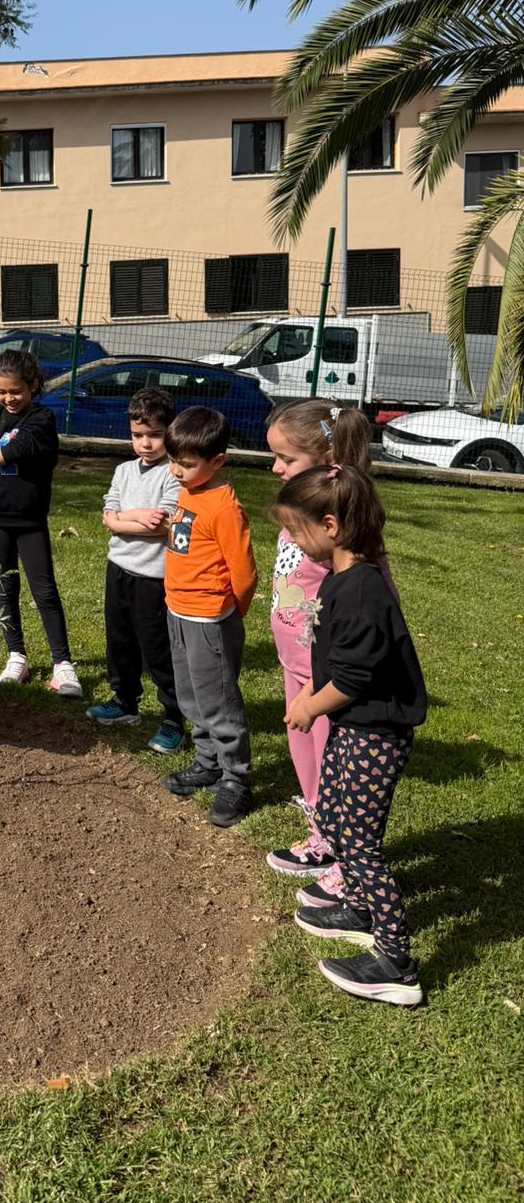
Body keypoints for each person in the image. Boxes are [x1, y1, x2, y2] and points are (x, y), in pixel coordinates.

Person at [273, 464, 426, 1007]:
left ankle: (396, 963)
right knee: (335, 818)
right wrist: (313, 695)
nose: (292, 540)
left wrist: (310, 706)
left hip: (376, 736)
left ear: (331, 526)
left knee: (360, 844)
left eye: (298, 530)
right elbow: (337, 661)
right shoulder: (339, 578)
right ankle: (359, 909)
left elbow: (355, 678)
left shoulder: (363, 589)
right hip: (353, 727)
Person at [265, 399, 378, 882]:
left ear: (326, 458)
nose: (275, 467)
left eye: (286, 458)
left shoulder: (343, 523)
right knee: (304, 753)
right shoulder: (302, 510)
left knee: (333, 762)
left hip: (325, 672)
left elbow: (372, 592)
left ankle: (340, 848)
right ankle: (321, 834)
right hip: (294, 662)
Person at [0, 348, 79, 697]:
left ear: (33, 385)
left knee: (44, 590)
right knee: (4, 586)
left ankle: (62, 664)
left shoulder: (41, 419)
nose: (8, 398)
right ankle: (16, 656)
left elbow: (17, 450)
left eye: (15, 391)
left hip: (29, 519)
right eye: (1, 392)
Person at [161, 405, 258, 827]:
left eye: (185, 464)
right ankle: (208, 762)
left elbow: (245, 572)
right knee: (190, 695)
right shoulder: (190, 490)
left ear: (217, 461)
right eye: (173, 461)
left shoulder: (224, 507)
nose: (175, 471)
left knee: (218, 702)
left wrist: (230, 613)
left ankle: (236, 778)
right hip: (178, 612)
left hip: (210, 621)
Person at [88, 386, 186, 754]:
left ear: (171, 432)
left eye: (155, 435)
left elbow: (162, 525)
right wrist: (130, 517)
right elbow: (108, 514)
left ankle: (173, 718)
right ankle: (124, 701)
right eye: (137, 435)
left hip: (153, 577)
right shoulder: (123, 470)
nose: (145, 443)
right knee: (119, 639)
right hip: (118, 569)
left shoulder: (174, 473)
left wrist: (120, 520)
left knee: (157, 648)